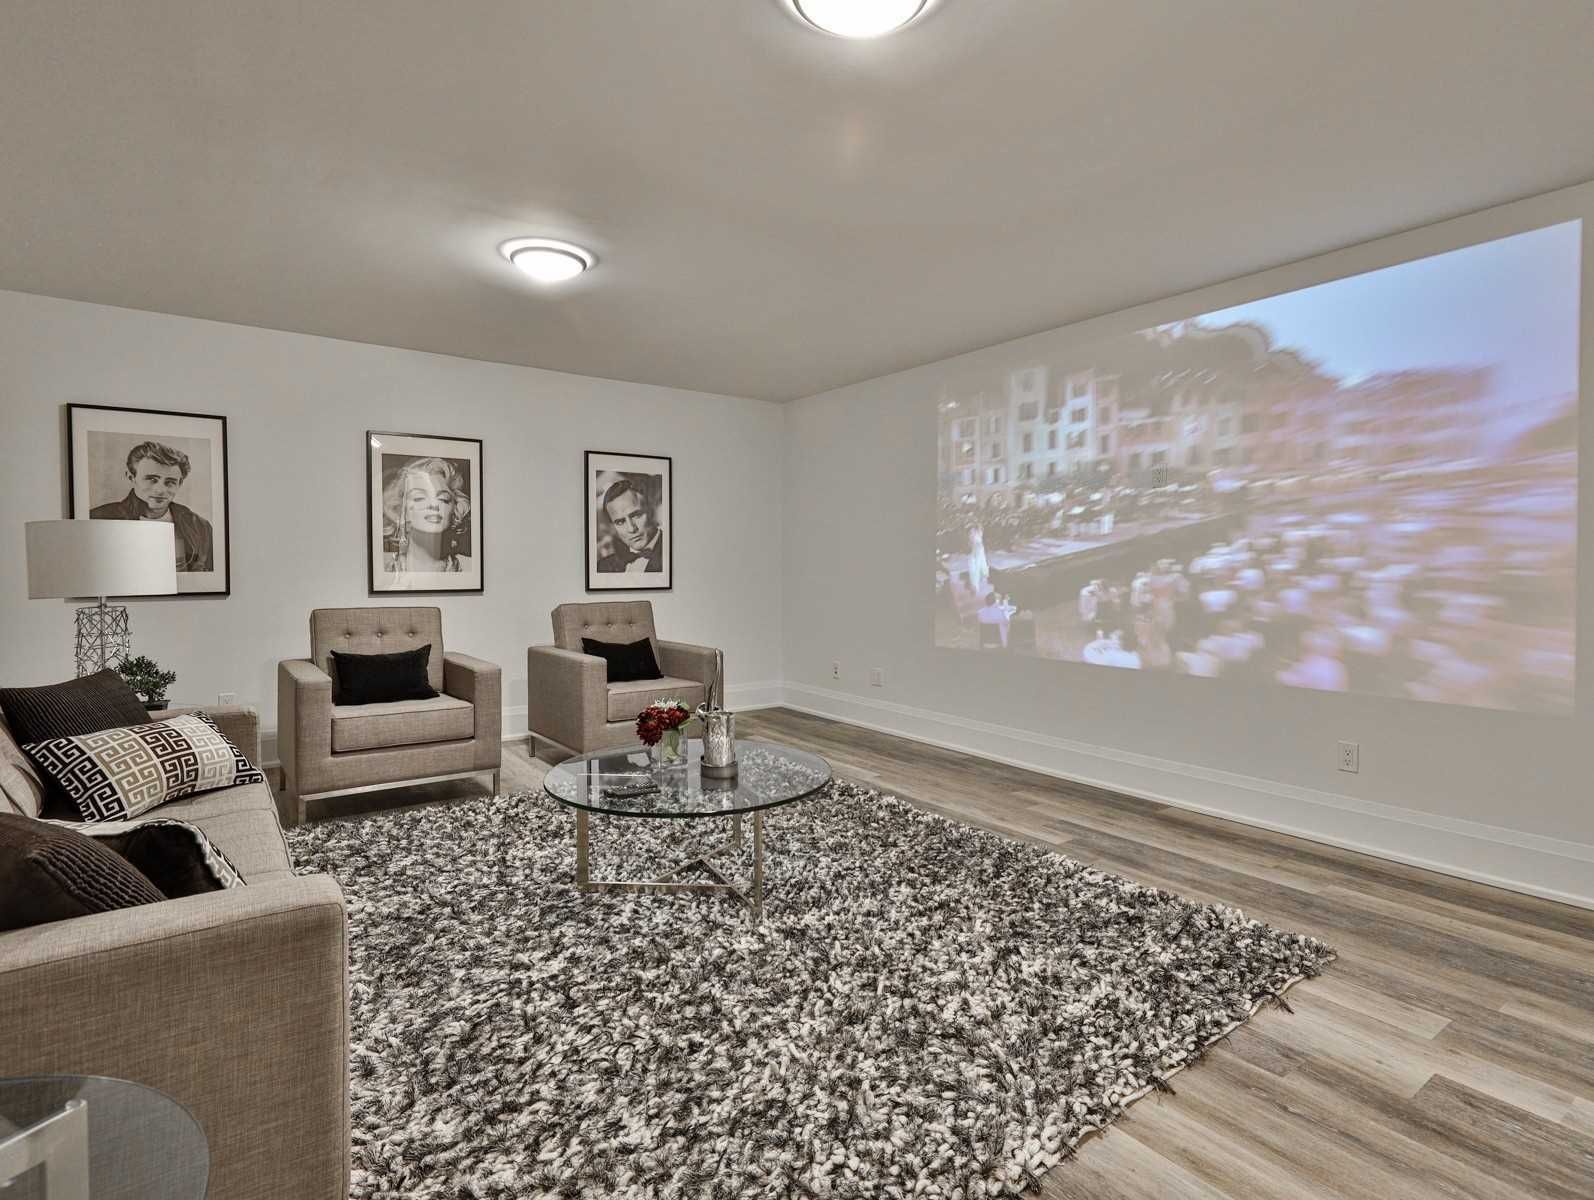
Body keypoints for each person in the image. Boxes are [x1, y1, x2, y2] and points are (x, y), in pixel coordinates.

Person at [90, 440, 214, 571]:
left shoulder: (200, 526)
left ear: (180, 483)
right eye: (152, 480)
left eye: (170, 482)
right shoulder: (98, 519)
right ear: (131, 477)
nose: (160, 490)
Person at [383, 457, 470, 575]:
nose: (433, 505)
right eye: (419, 498)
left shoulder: (470, 568)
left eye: (443, 499)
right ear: (401, 509)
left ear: (454, 509)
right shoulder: (380, 565)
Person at [596, 478, 665, 573]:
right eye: (620, 522)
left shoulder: (675, 553)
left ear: (651, 511)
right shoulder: (602, 567)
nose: (631, 529)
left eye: (636, 515)